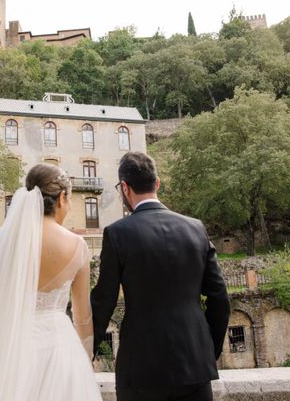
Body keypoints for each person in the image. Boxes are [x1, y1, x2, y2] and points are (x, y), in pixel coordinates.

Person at [91, 152, 230, 401]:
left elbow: (104, 302)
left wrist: (86, 350)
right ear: (157, 183)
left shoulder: (117, 234)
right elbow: (219, 298)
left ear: (125, 187)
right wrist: (208, 350)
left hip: (140, 366)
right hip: (194, 363)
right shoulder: (196, 228)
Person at [0, 163, 102, 401]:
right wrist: (85, 360)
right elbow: (82, 315)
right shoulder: (77, 245)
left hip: (7, 349)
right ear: (62, 197)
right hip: (58, 350)